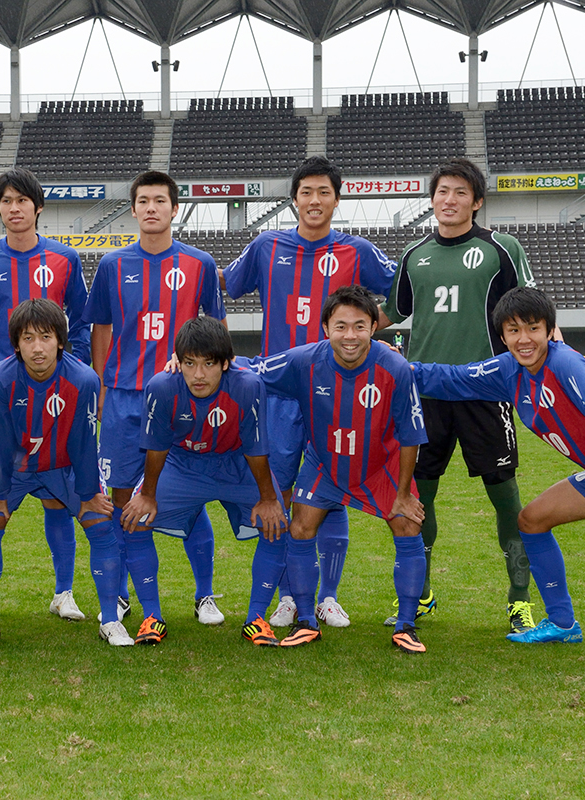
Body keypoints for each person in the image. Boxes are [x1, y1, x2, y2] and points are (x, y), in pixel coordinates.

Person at [411, 287, 585, 682]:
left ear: (550, 330)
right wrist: (398, 369)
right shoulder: (508, 371)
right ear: (503, 335)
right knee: (530, 520)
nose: (524, 339)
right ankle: (563, 624)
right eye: (514, 330)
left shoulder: (568, 366)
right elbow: (453, 379)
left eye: (534, 328)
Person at [221, 155, 398, 629]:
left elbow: (405, 294)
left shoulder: (356, 250)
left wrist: (365, 331)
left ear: (336, 199)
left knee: (332, 490)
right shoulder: (266, 245)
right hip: (279, 389)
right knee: (277, 493)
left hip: (336, 393)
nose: (314, 200)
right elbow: (225, 286)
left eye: (324, 192)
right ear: (294, 199)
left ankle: (329, 597)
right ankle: (286, 596)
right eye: (306, 192)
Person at [381, 157, 537, 634]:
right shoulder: (414, 255)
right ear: (433, 199)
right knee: (414, 495)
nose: (449, 200)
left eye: (460, 193)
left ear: (477, 201)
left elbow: (533, 311)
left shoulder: (501, 248)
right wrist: (342, 332)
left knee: (505, 497)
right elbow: (391, 312)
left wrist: (560, 359)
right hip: (423, 392)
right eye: (442, 191)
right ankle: (419, 593)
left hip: (486, 389)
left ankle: (519, 599)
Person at [85, 170, 227, 629]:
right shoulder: (111, 265)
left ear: (174, 209)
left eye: (159, 201)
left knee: (192, 495)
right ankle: (126, 592)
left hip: (183, 395)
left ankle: (204, 593)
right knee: (124, 496)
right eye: (143, 200)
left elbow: (216, 330)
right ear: (133, 209)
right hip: (125, 397)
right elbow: (101, 329)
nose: (151, 208)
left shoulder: (200, 263)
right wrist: (103, 384)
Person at [251, 285, 429, 651]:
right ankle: (305, 619)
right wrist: (200, 358)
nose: (350, 336)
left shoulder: (394, 367)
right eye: (341, 326)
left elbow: (412, 435)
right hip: (326, 465)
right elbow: (252, 370)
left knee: (408, 523)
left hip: (379, 467)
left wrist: (404, 493)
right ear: (325, 327)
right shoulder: (305, 361)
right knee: (299, 526)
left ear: (374, 327)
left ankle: (406, 625)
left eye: (360, 326)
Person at [0, 168, 91, 624]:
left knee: (58, 499)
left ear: (38, 207)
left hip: (55, 398)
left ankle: (64, 591)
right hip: (1, 400)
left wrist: (78, 374)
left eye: (22, 200)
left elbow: (82, 323)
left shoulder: (65, 258)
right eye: (6, 201)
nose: (14, 208)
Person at [0, 299, 130, 647]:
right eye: (27, 339)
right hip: (17, 468)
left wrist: (88, 494)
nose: (37, 348)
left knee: (99, 523)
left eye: (46, 337)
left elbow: (85, 443)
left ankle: (111, 621)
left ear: (60, 340)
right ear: (16, 344)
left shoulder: (84, 379)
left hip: (62, 466)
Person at [120, 317, 288, 646]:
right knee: (135, 517)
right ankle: (152, 616)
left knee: (278, 522)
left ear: (226, 363)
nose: (198, 375)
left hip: (235, 463)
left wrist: (268, 499)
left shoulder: (248, 385)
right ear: (178, 361)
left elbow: (256, 448)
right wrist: (148, 496)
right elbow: (156, 446)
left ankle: (256, 618)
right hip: (183, 465)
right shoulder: (161, 386)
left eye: (209, 364)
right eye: (190, 363)